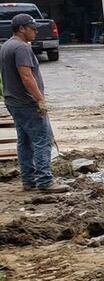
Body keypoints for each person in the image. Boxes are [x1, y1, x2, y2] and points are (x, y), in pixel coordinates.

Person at [1, 13, 67, 193]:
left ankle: (28, 180)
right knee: (42, 140)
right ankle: (45, 181)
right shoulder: (21, 48)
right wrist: (40, 100)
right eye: (32, 28)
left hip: (13, 101)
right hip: (26, 102)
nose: (36, 31)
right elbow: (26, 76)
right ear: (22, 29)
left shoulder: (7, 45)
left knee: (25, 142)